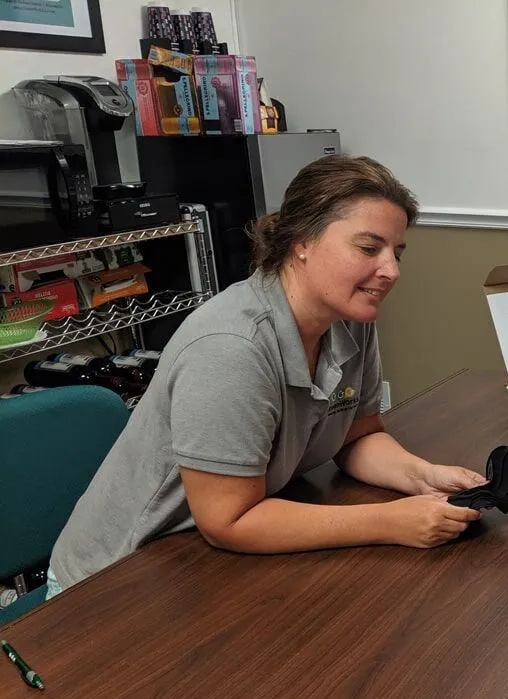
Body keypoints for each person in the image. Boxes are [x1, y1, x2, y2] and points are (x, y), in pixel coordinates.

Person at [47, 155, 485, 597]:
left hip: (207, 559)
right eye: (369, 248)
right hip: (114, 580)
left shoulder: (350, 318)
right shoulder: (232, 347)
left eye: (396, 252)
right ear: (301, 241)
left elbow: (357, 437)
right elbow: (228, 522)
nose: (390, 270)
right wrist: (391, 521)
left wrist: (423, 477)